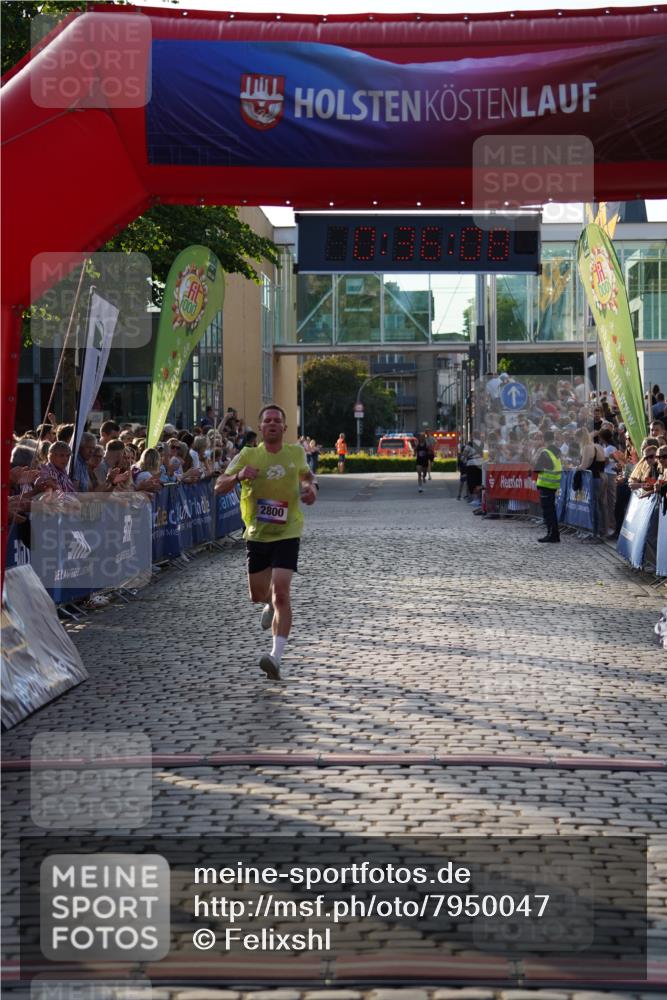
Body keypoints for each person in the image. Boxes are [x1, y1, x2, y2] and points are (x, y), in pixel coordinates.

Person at [214, 404, 317, 681]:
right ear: (260, 428)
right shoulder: (248, 455)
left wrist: (310, 489)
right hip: (257, 534)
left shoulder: (295, 452)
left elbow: (307, 477)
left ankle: (275, 656)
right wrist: (237, 476)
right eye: (267, 420)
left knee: (282, 593)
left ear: (284, 427)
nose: (272, 424)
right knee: (258, 595)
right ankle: (267, 604)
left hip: (288, 532)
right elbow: (218, 485)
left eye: (277, 420)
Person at [533, 429, 563, 543]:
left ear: (544, 440)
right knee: (552, 510)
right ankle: (554, 534)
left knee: (548, 512)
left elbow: (537, 469)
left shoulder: (545, 452)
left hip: (546, 484)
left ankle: (552, 534)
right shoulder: (557, 451)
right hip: (554, 484)